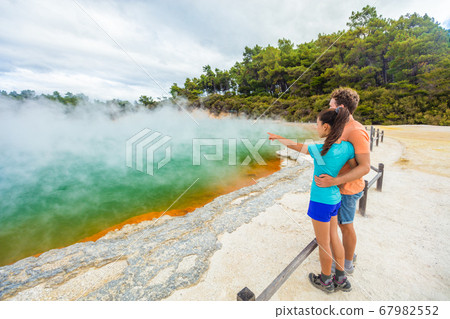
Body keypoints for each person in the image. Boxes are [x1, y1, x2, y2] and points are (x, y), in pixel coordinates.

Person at [268, 106, 355, 293]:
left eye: (317, 124)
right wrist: (338, 179)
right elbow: (353, 166)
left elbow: (295, 146)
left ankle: (325, 280)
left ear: (326, 127)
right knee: (334, 238)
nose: (316, 128)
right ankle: (340, 278)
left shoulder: (321, 149)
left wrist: (276, 137)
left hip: (320, 201)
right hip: (335, 199)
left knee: (324, 244)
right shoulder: (347, 147)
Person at [314, 88, 370, 274]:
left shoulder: (355, 131)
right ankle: (344, 256)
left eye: (331, 105)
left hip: (348, 188)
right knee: (338, 225)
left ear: (341, 107)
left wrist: (336, 180)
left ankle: (347, 264)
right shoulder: (341, 127)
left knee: (346, 225)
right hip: (337, 188)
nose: (328, 107)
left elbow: (365, 167)